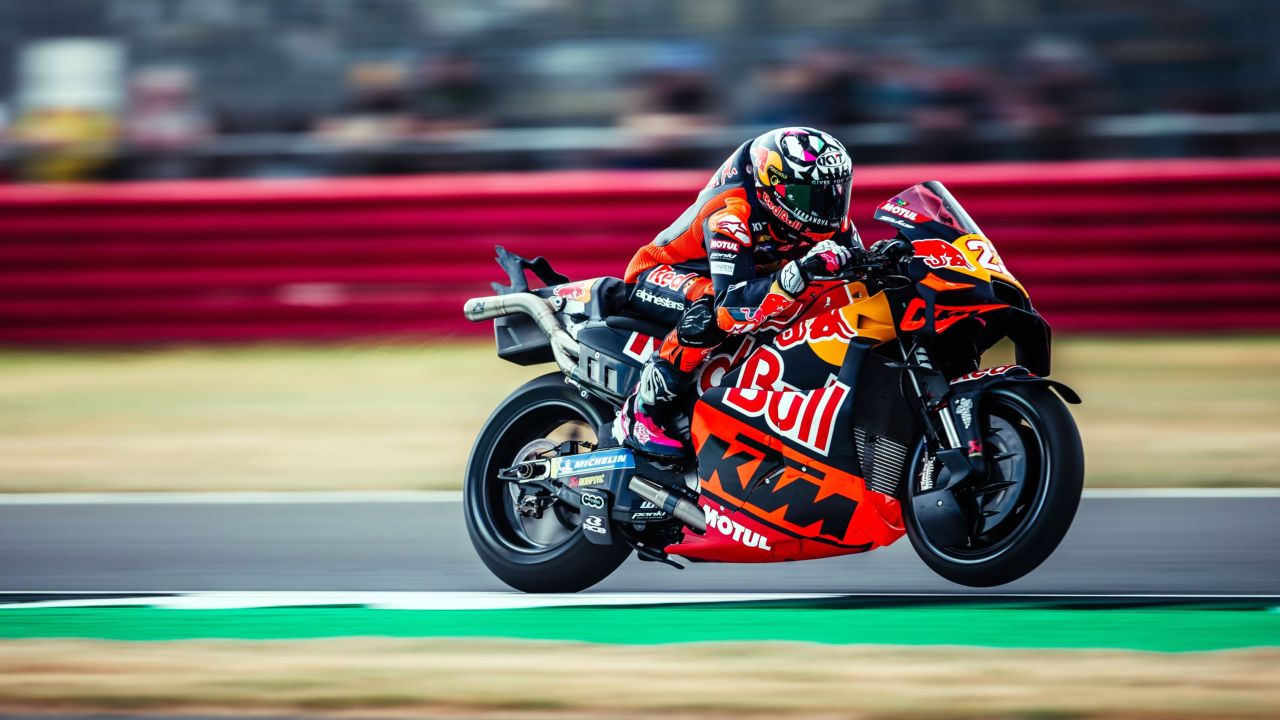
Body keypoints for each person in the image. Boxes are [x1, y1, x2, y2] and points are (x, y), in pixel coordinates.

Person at [614, 126, 862, 459]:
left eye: (835, 193)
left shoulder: (827, 219)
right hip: (662, 273)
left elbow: (856, 270)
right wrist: (797, 273)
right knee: (710, 315)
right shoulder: (731, 213)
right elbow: (731, 306)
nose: (828, 206)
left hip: (739, 278)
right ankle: (641, 411)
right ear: (777, 188)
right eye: (813, 197)